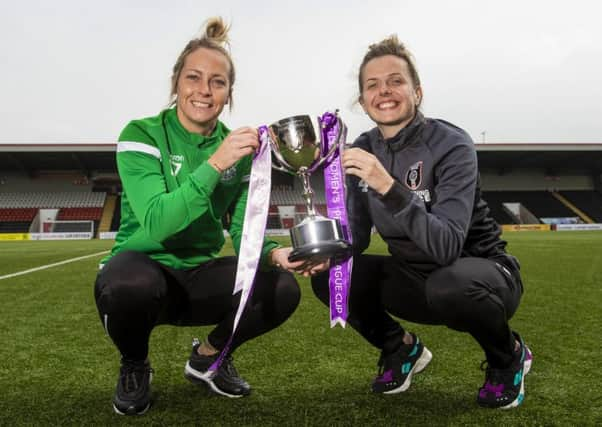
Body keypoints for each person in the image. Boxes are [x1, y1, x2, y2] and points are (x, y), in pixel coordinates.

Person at [94, 17, 309, 416]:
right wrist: (214, 163)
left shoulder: (238, 153)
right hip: (142, 273)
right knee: (128, 283)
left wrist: (276, 254)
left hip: (199, 278)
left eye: (217, 82)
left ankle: (208, 357)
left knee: (281, 289)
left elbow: (246, 230)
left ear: (228, 94)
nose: (204, 91)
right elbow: (158, 222)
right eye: (193, 77)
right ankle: (135, 364)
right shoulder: (141, 134)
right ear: (176, 83)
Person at [311, 35, 532, 409]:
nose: (384, 91)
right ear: (363, 101)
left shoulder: (452, 145)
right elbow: (358, 238)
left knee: (450, 285)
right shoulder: (361, 149)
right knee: (332, 276)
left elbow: (446, 247)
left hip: (482, 277)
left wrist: (387, 185)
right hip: (414, 279)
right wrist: (322, 246)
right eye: (372, 85)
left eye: (396, 81)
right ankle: (401, 350)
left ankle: (507, 357)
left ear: (417, 91)